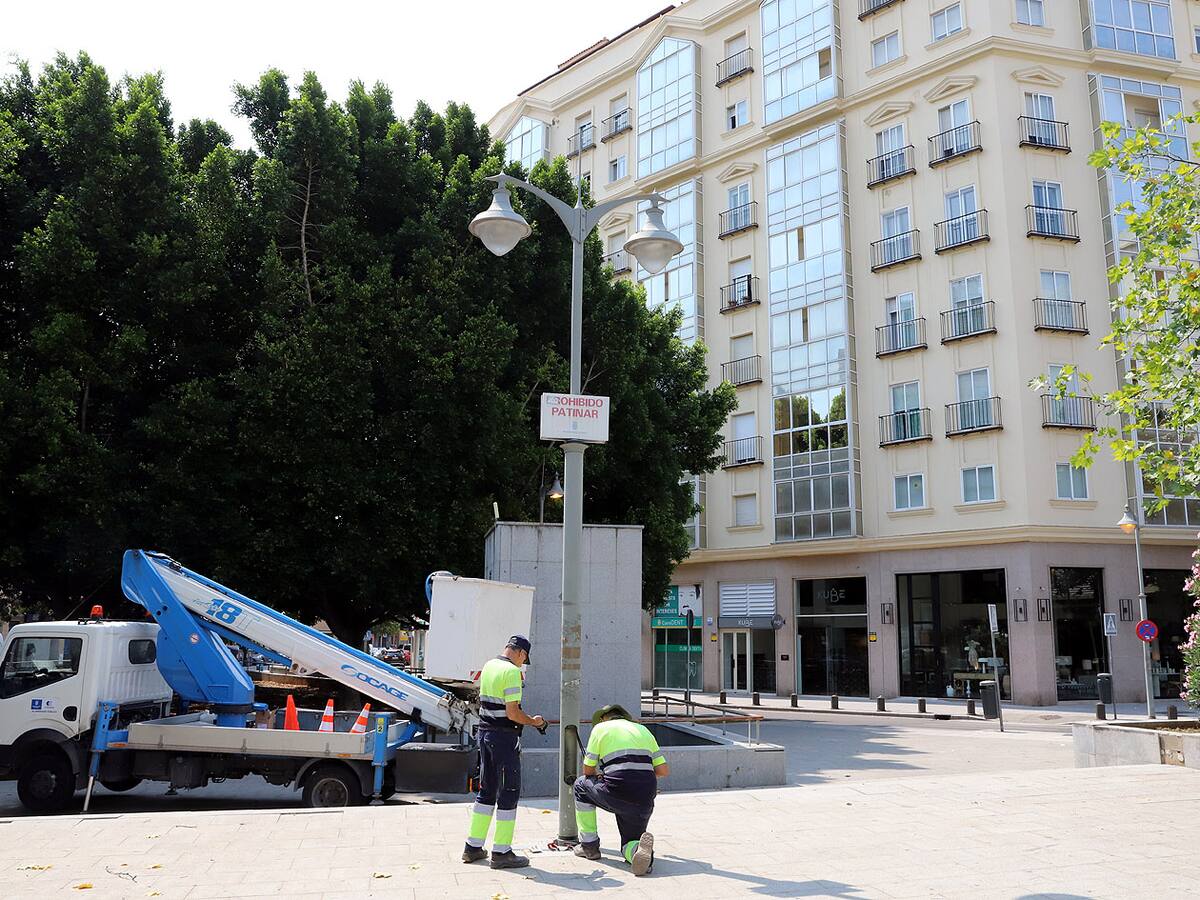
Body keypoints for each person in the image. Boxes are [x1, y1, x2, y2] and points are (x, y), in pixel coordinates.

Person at [462, 634, 545, 870]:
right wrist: (534, 722)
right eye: (524, 659)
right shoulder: (512, 672)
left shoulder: (489, 665)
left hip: (485, 734)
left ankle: (473, 847)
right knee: (509, 791)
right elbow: (512, 713)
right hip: (504, 738)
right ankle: (501, 852)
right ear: (521, 653)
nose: (523, 663)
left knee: (486, 790)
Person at [572, 704, 668, 876]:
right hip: (645, 797)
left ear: (603, 718)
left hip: (616, 791)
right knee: (630, 841)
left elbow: (587, 770)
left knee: (580, 785)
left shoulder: (600, 729)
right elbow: (662, 771)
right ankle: (637, 852)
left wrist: (602, 775)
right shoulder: (643, 730)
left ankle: (589, 846)